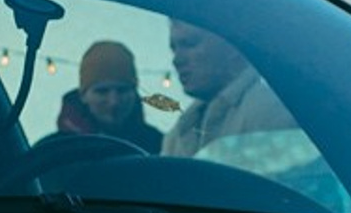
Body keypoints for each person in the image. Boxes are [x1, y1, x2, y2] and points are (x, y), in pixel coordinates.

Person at [163, 20, 296, 159]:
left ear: (232, 46)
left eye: (190, 44)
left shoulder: (271, 113)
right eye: (174, 48)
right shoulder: (180, 132)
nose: (177, 60)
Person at [56, 40, 162, 152]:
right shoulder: (56, 151)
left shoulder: (161, 147)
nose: (114, 102)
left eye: (122, 90)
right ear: (83, 95)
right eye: (102, 92)